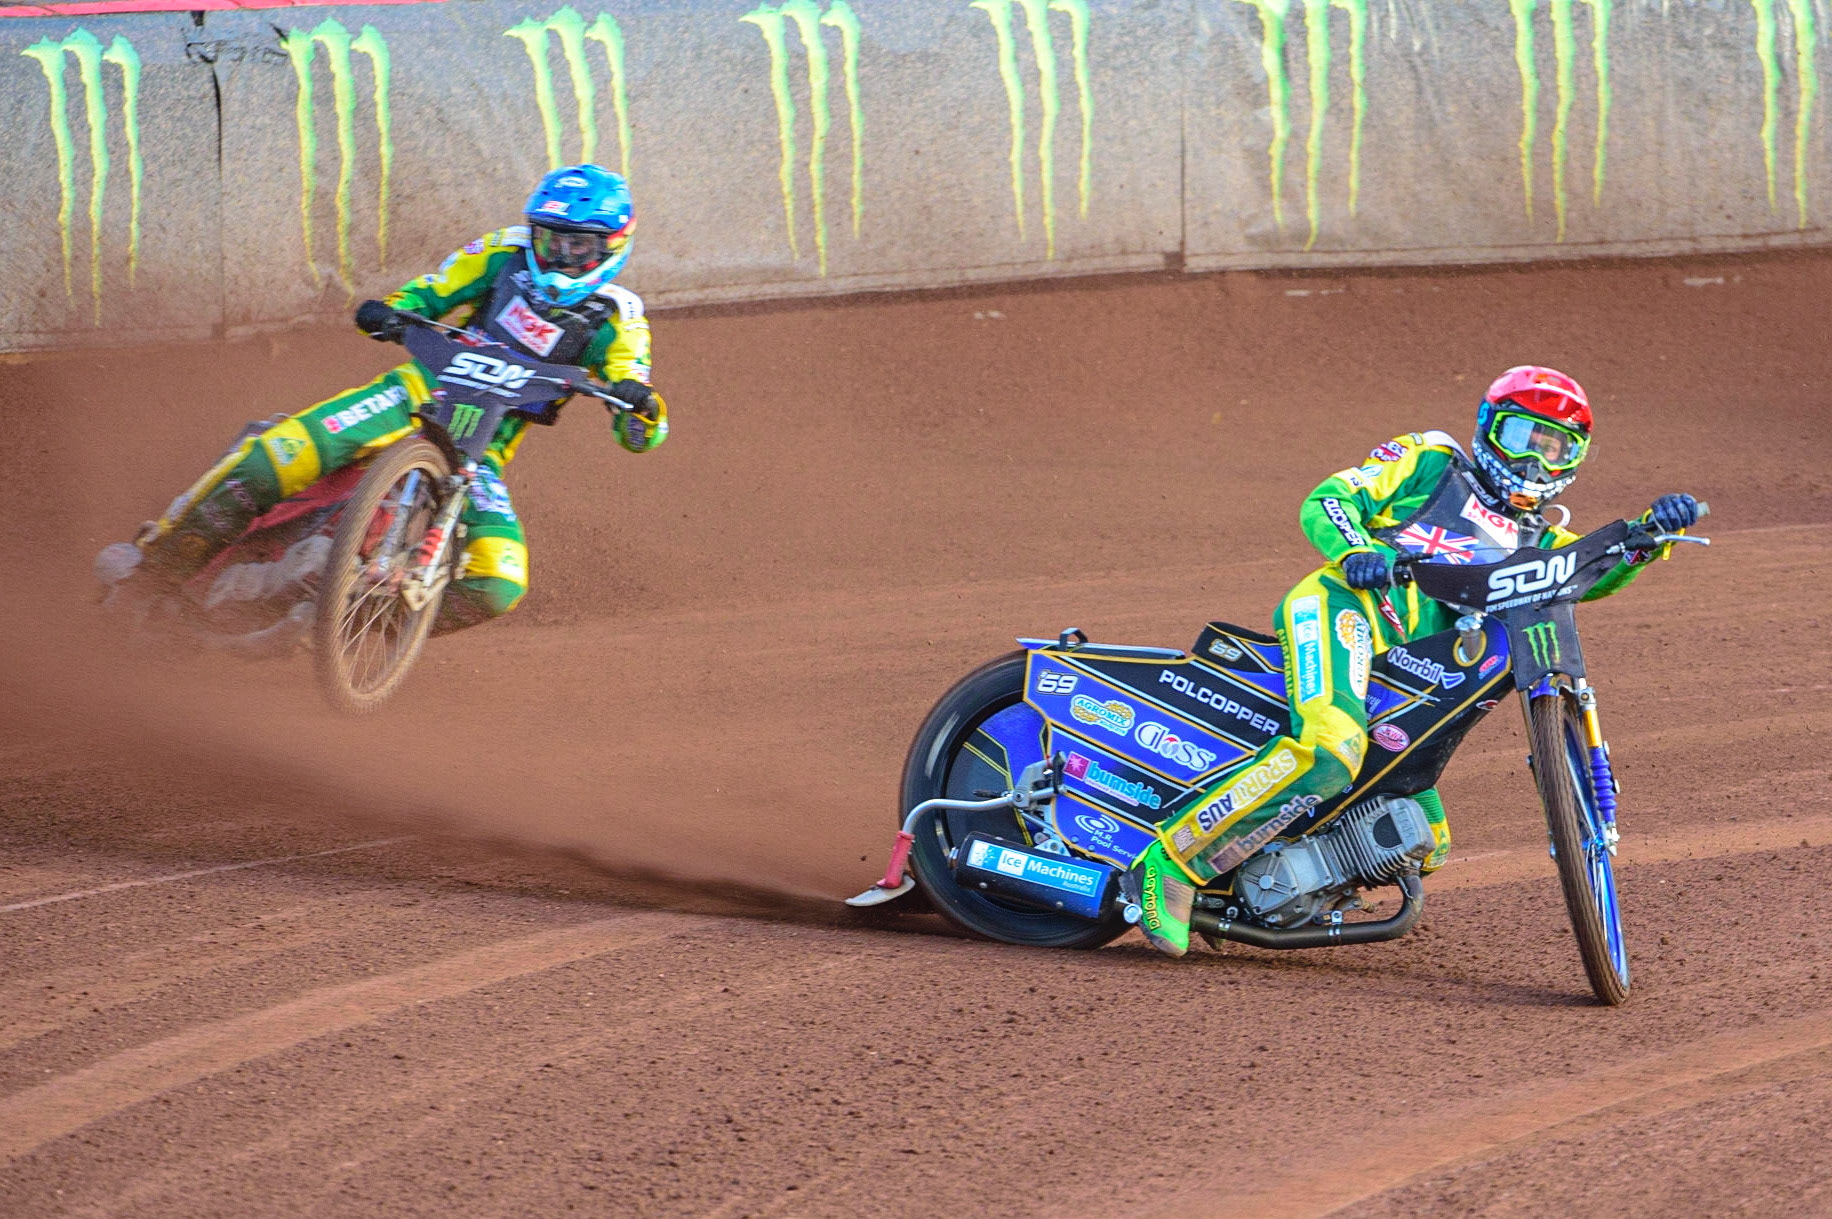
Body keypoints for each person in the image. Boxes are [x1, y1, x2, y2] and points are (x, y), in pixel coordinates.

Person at [1126, 365, 1701, 956]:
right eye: (1524, 438)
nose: (1536, 463)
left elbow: (1584, 578)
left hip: (1408, 677)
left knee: (1427, 838)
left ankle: (1265, 884)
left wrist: (1644, 539)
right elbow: (1330, 499)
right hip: (1346, 612)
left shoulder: (1537, 541)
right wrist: (1356, 552)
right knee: (1330, 752)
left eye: (1555, 449)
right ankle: (1171, 865)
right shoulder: (1432, 462)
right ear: (1488, 429)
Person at [105, 163, 667, 632]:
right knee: (276, 456)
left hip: (481, 452)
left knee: (499, 582)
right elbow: (432, 290)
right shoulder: (505, 252)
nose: (559, 255)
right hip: (417, 393)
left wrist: (642, 413)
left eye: (576, 246)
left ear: (611, 247)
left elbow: (637, 402)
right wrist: (391, 312)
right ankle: (152, 570)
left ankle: (354, 630)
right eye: (551, 238)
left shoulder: (619, 317)